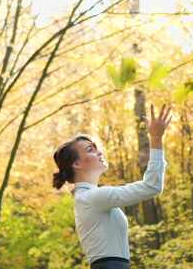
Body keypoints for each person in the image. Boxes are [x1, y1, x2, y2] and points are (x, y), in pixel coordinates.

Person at [52, 103, 173, 269]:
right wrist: (156, 139)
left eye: (96, 148)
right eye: (90, 150)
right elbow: (152, 186)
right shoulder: (92, 197)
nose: (99, 152)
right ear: (77, 164)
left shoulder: (87, 197)